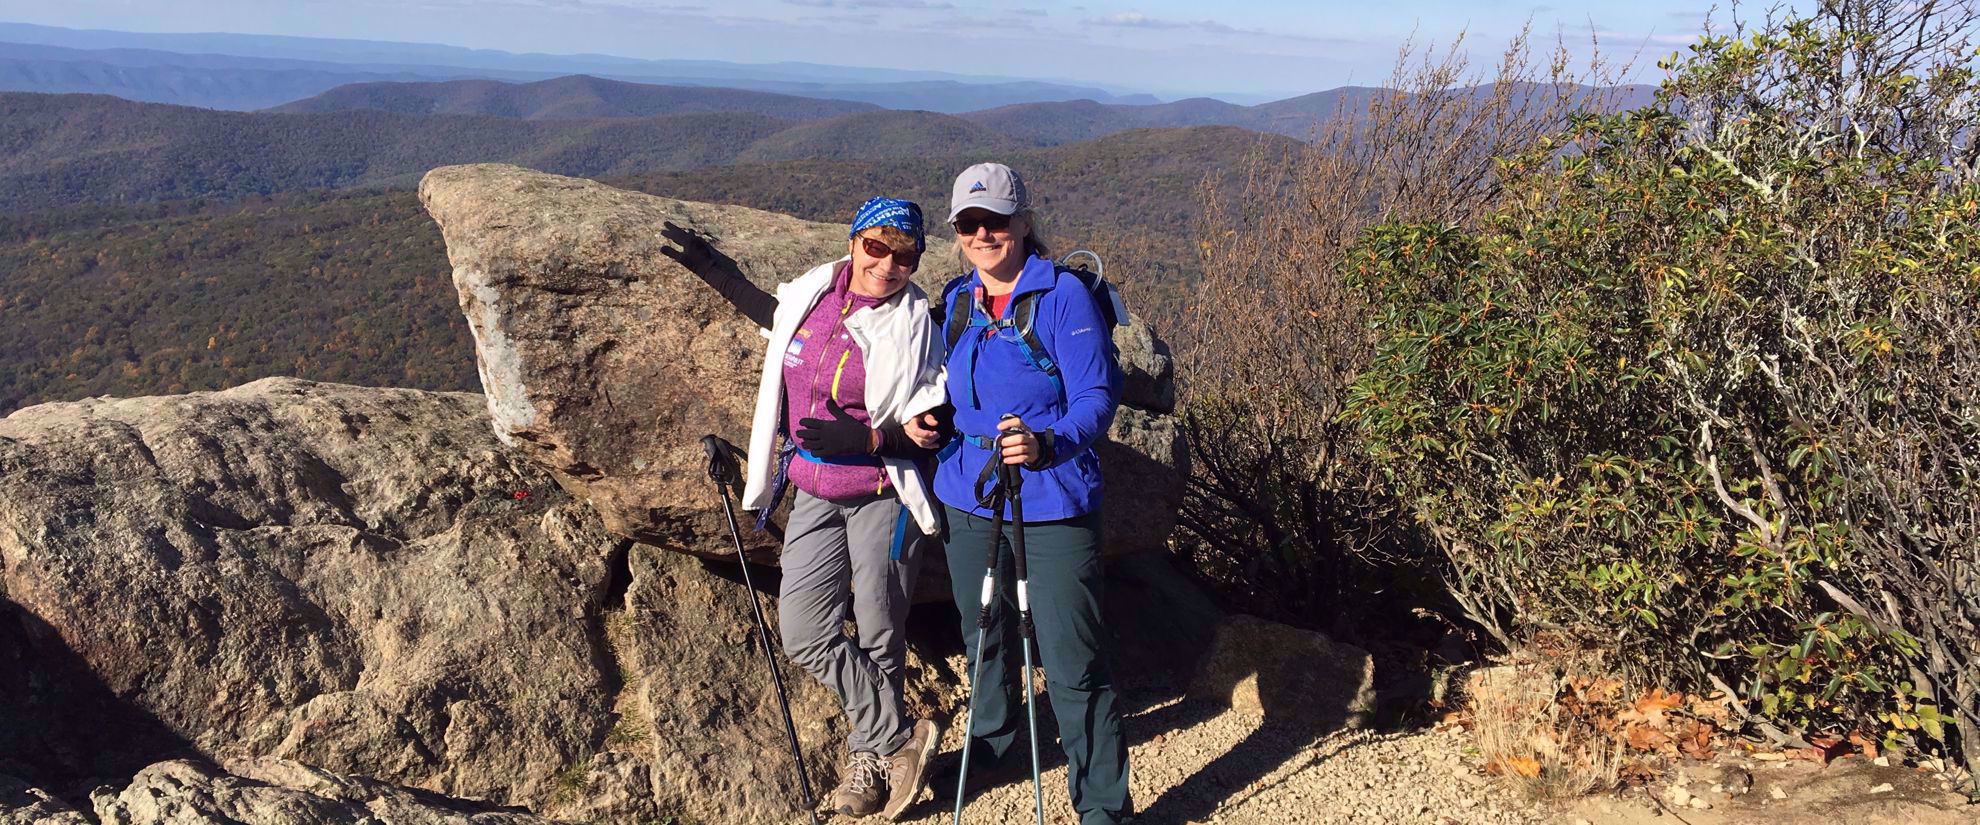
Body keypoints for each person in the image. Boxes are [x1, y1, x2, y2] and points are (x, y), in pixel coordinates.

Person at [659, 197, 948, 821]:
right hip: (815, 492)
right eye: (877, 247)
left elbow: (934, 426)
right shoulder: (817, 293)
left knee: (878, 630)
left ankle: (870, 759)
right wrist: (714, 269)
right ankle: (900, 735)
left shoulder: (918, 321)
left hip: (881, 496)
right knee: (804, 633)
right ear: (853, 244)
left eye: (905, 255)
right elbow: (773, 314)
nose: (889, 264)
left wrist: (869, 440)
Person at [911, 163, 1131, 824]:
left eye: (996, 221)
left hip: (1052, 499)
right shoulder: (956, 300)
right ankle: (995, 742)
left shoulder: (1062, 297)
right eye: (969, 223)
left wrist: (1047, 442)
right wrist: (932, 419)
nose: (983, 234)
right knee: (984, 636)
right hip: (967, 491)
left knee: (1072, 659)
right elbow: (952, 391)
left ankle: (1102, 807)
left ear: (1024, 223)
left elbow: (1097, 397)